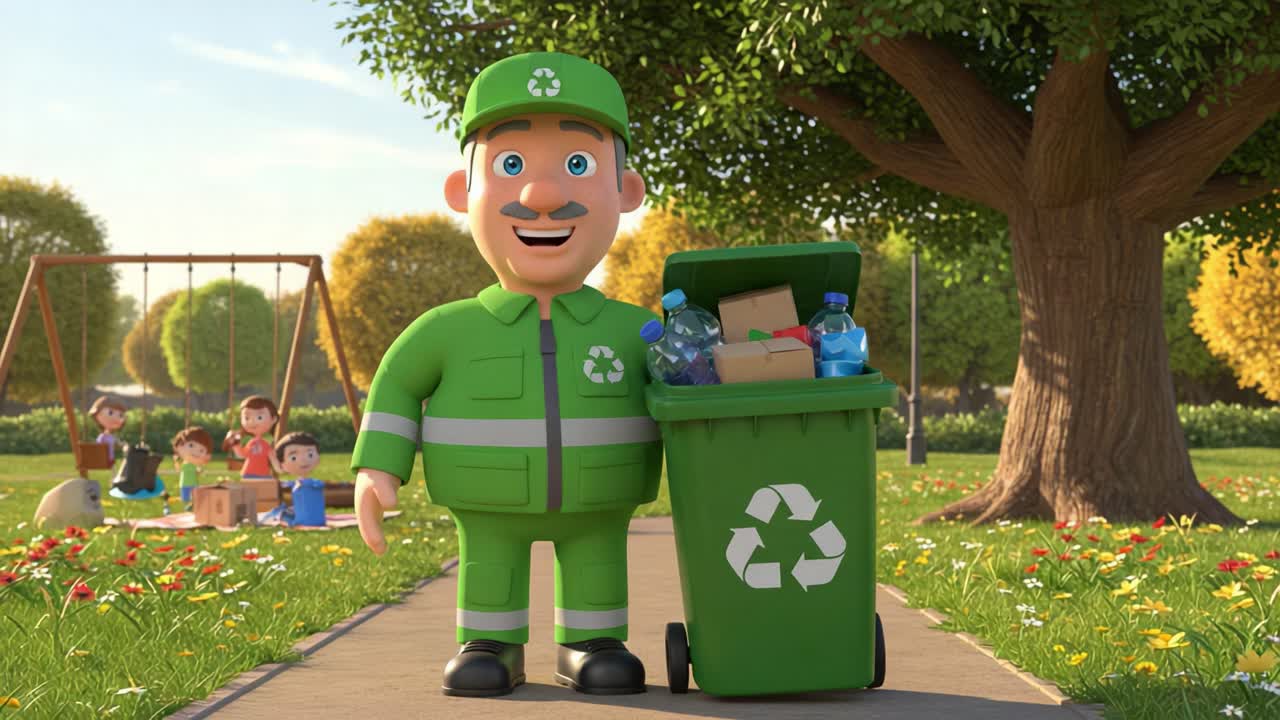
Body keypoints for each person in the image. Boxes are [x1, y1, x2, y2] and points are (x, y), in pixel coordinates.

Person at [352, 52, 660, 698]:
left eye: (579, 165)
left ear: (625, 192)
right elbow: (400, 384)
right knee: (489, 565)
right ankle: (489, 642)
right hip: (485, 500)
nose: (541, 196)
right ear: (462, 194)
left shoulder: (638, 332)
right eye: (509, 166)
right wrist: (378, 466)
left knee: (596, 561)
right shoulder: (449, 329)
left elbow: (685, 392)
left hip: (600, 497)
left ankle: (591, 642)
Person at [275, 431, 324, 526]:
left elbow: (318, 485)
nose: (303, 460)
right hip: (301, 517)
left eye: (310, 455)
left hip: (316, 518)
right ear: (282, 464)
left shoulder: (315, 484)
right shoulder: (293, 485)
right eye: (293, 457)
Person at [225, 396, 277, 480]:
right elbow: (242, 455)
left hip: (263, 473)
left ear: (273, 419)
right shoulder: (252, 442)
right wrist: (235, 444)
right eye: (247, 418)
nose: (252, 422)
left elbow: (272, 457)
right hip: (249, 473)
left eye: (259, 417)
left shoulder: (269, 441)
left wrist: (279, 468)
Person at [172, 427, 213, 511]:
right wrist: (176, 461)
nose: (195, 452)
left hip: (193, 484)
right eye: (191, 445)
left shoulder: (194, 465)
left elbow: (198, 470)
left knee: (194, 498)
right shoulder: (184, 464)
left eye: (201, 450)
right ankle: (188, 508)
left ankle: (191, 507)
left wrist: (201, 471)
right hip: (184, 484)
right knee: (185, 498)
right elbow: (178, 469)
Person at [88, 396, 127, 464]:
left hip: (109, 459)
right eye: (110, 413)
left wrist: (124, 445)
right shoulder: (102, 437)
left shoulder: (112, 436)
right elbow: (98, 447)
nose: (115, 418)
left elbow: (118, 443)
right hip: (105, 460)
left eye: (120, 415)